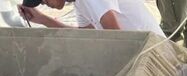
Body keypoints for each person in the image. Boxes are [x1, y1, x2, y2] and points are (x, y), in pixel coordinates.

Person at [19, 0, 165, 36]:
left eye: (44, 0)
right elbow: (85, 36)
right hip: (141, 52)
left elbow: (118, 37)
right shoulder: (79, 3)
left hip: (154, 54)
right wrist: (43, 19)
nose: (46, 3)